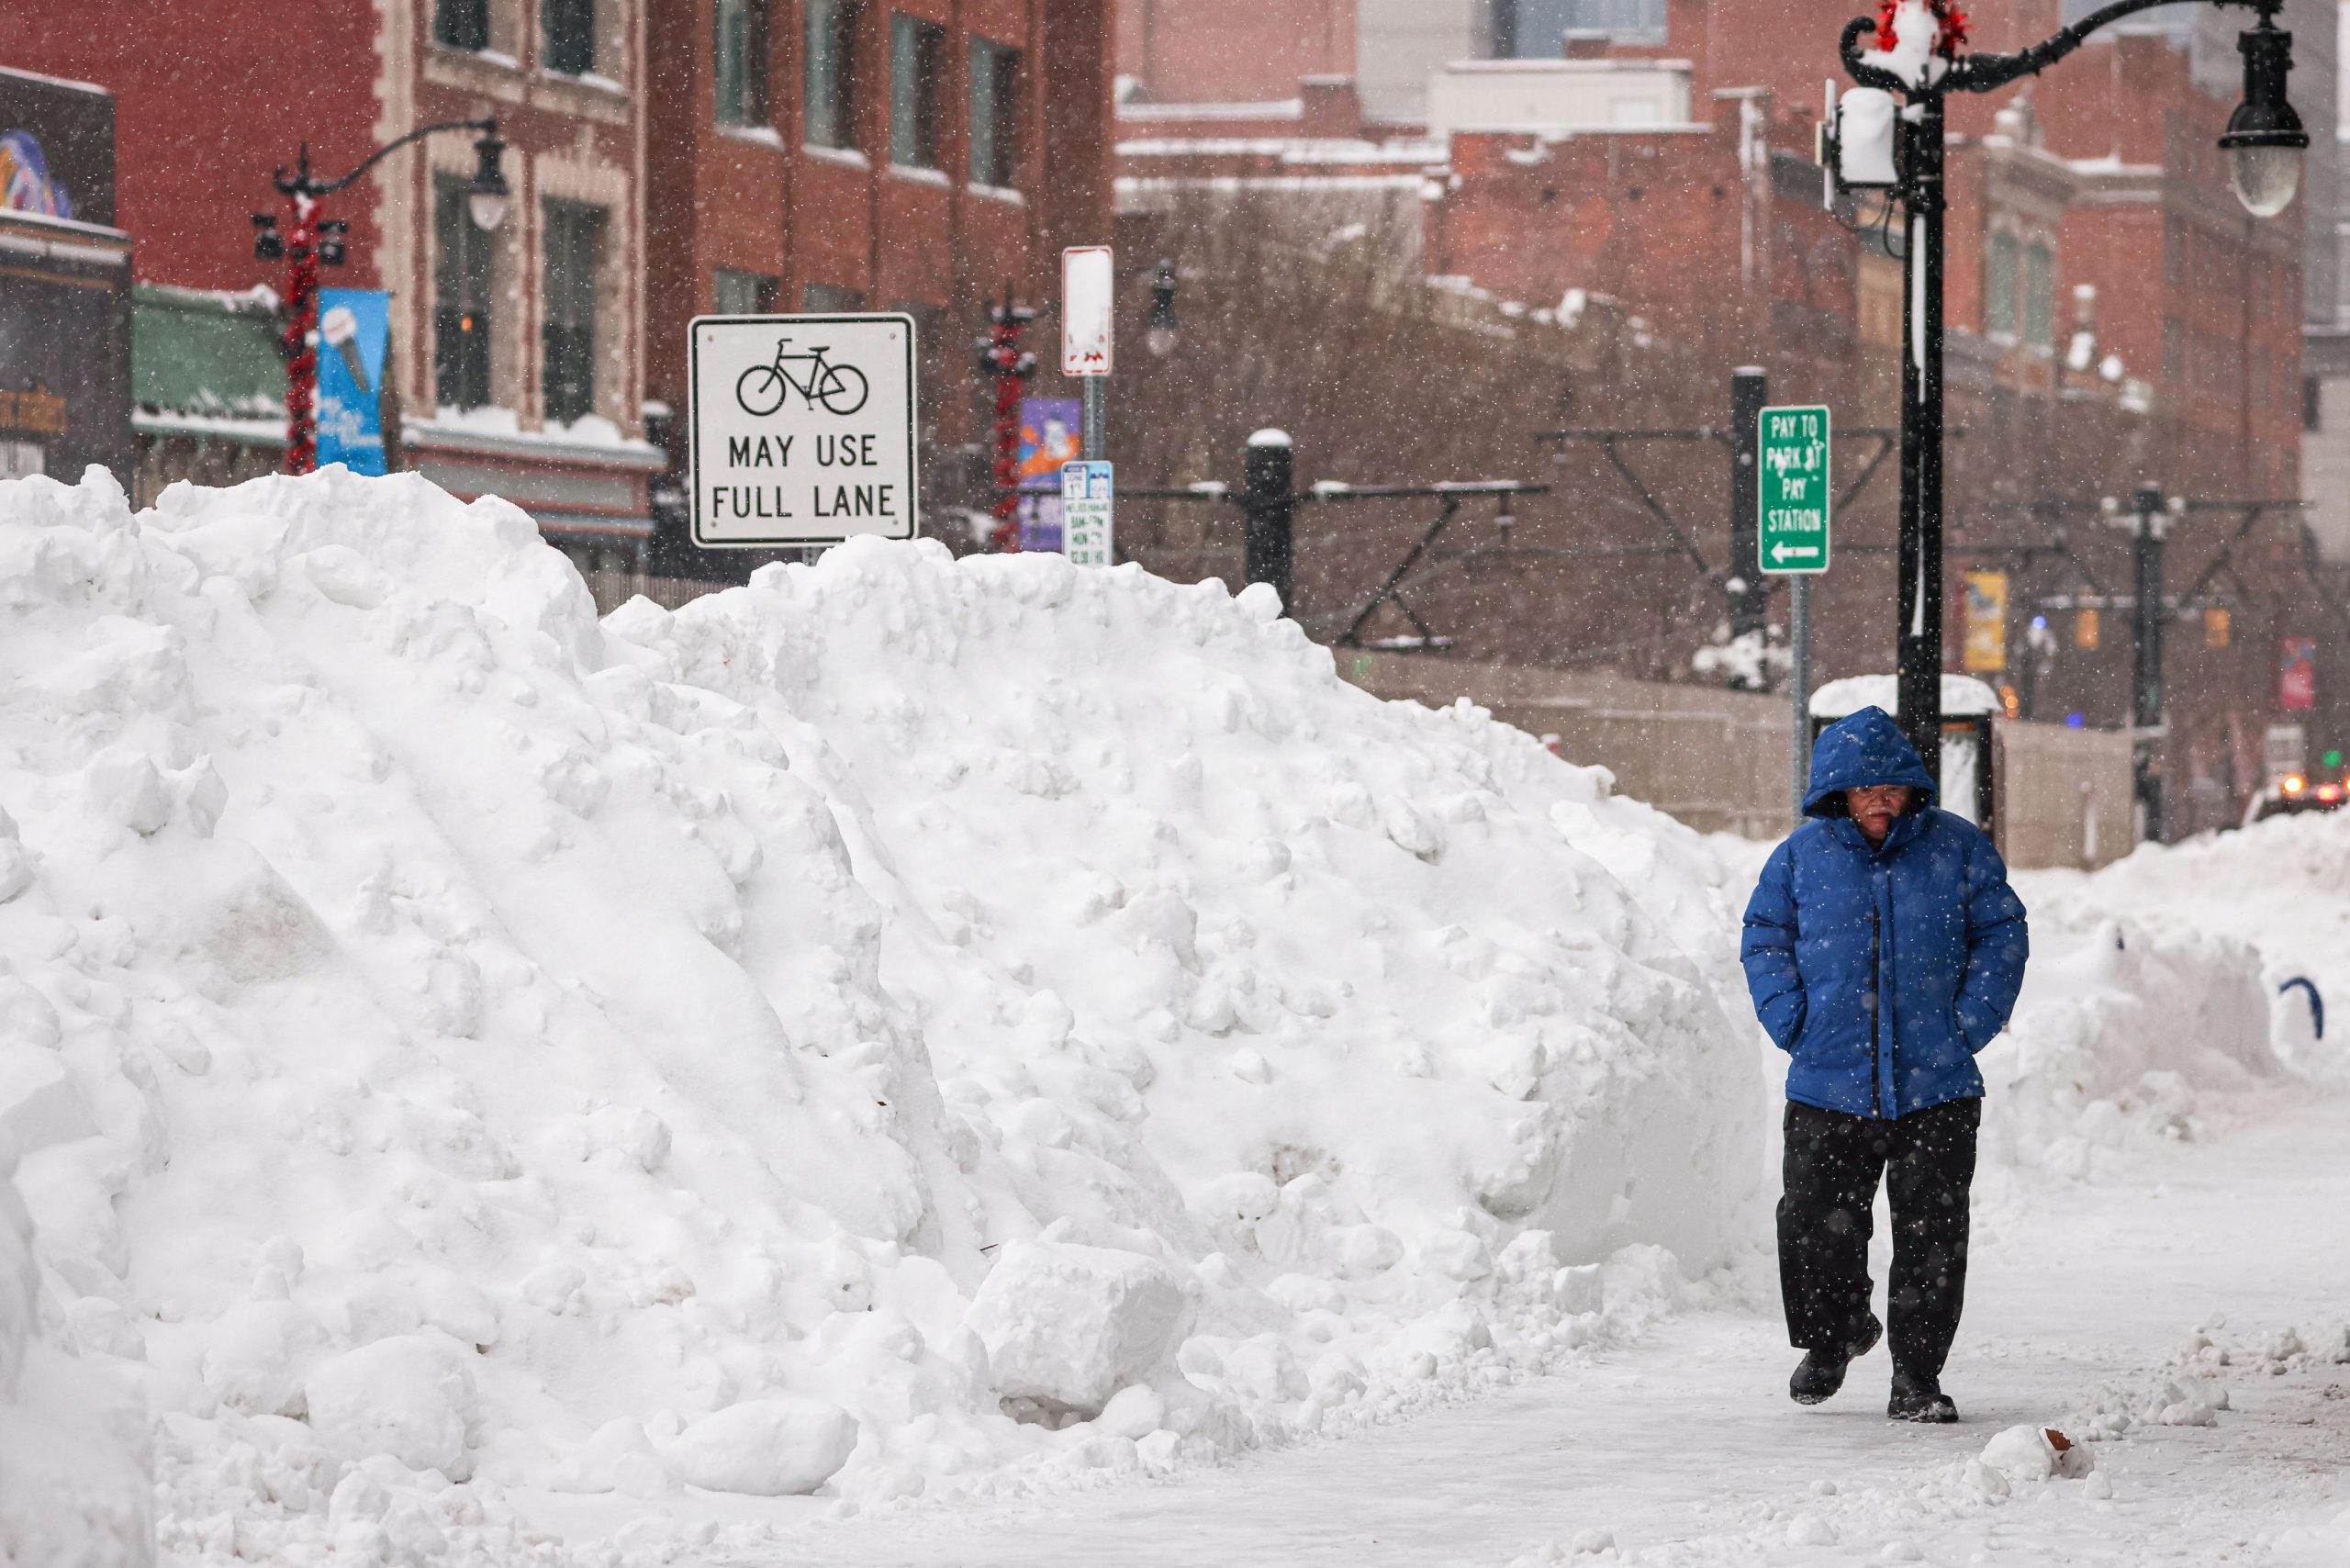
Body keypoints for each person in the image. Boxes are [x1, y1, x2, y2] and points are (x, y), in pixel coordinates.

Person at [1740, 704, 2029, 1423]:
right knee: (1813, 1226)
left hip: (1937, 1085)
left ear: (1911, 790)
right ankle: (1836, 1336)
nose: (1876, 800)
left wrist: (1969, 1025)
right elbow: (1764, 939)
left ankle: (1917, 1377)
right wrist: (1793, 1021)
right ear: (1836, 794)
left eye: (1889, 787)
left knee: (1932, 1237)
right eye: (1861, 788)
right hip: (1827, 1082)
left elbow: (2003, 935)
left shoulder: (1958, 849)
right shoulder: (1800, 858)